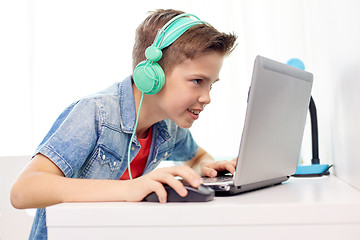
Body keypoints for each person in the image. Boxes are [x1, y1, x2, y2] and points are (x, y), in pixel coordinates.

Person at [10, 9, 237, 239]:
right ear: (151, 75)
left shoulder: (168, 123)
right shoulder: (96, 114)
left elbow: (196, 158)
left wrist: (208, 168)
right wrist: (129, 189)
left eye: (211, 85)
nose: (207, 97)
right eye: (197, 81)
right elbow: (24, 190)